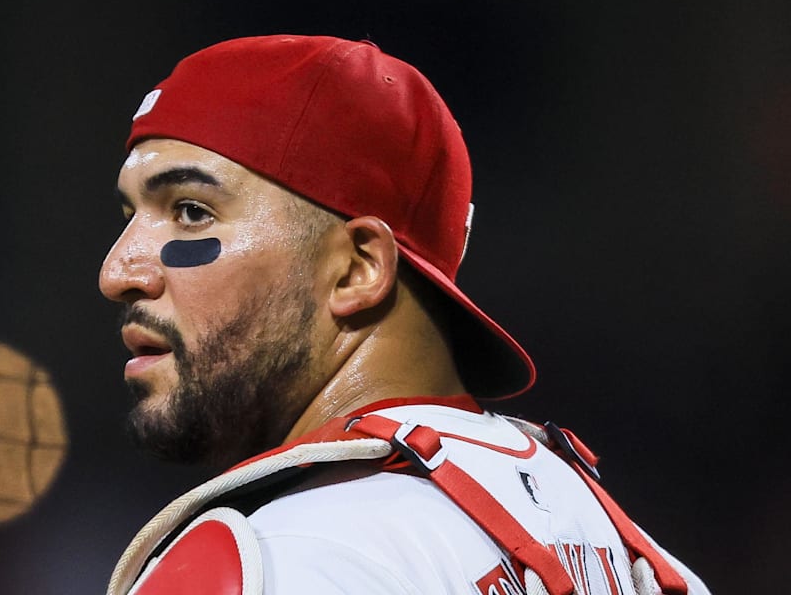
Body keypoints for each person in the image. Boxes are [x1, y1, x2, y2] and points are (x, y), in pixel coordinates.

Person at [99, 35, 709, 595]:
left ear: (358, 268)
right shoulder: (634, 556)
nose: (118, 272)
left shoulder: (287, 559)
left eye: (191, 212)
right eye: (129, 215)